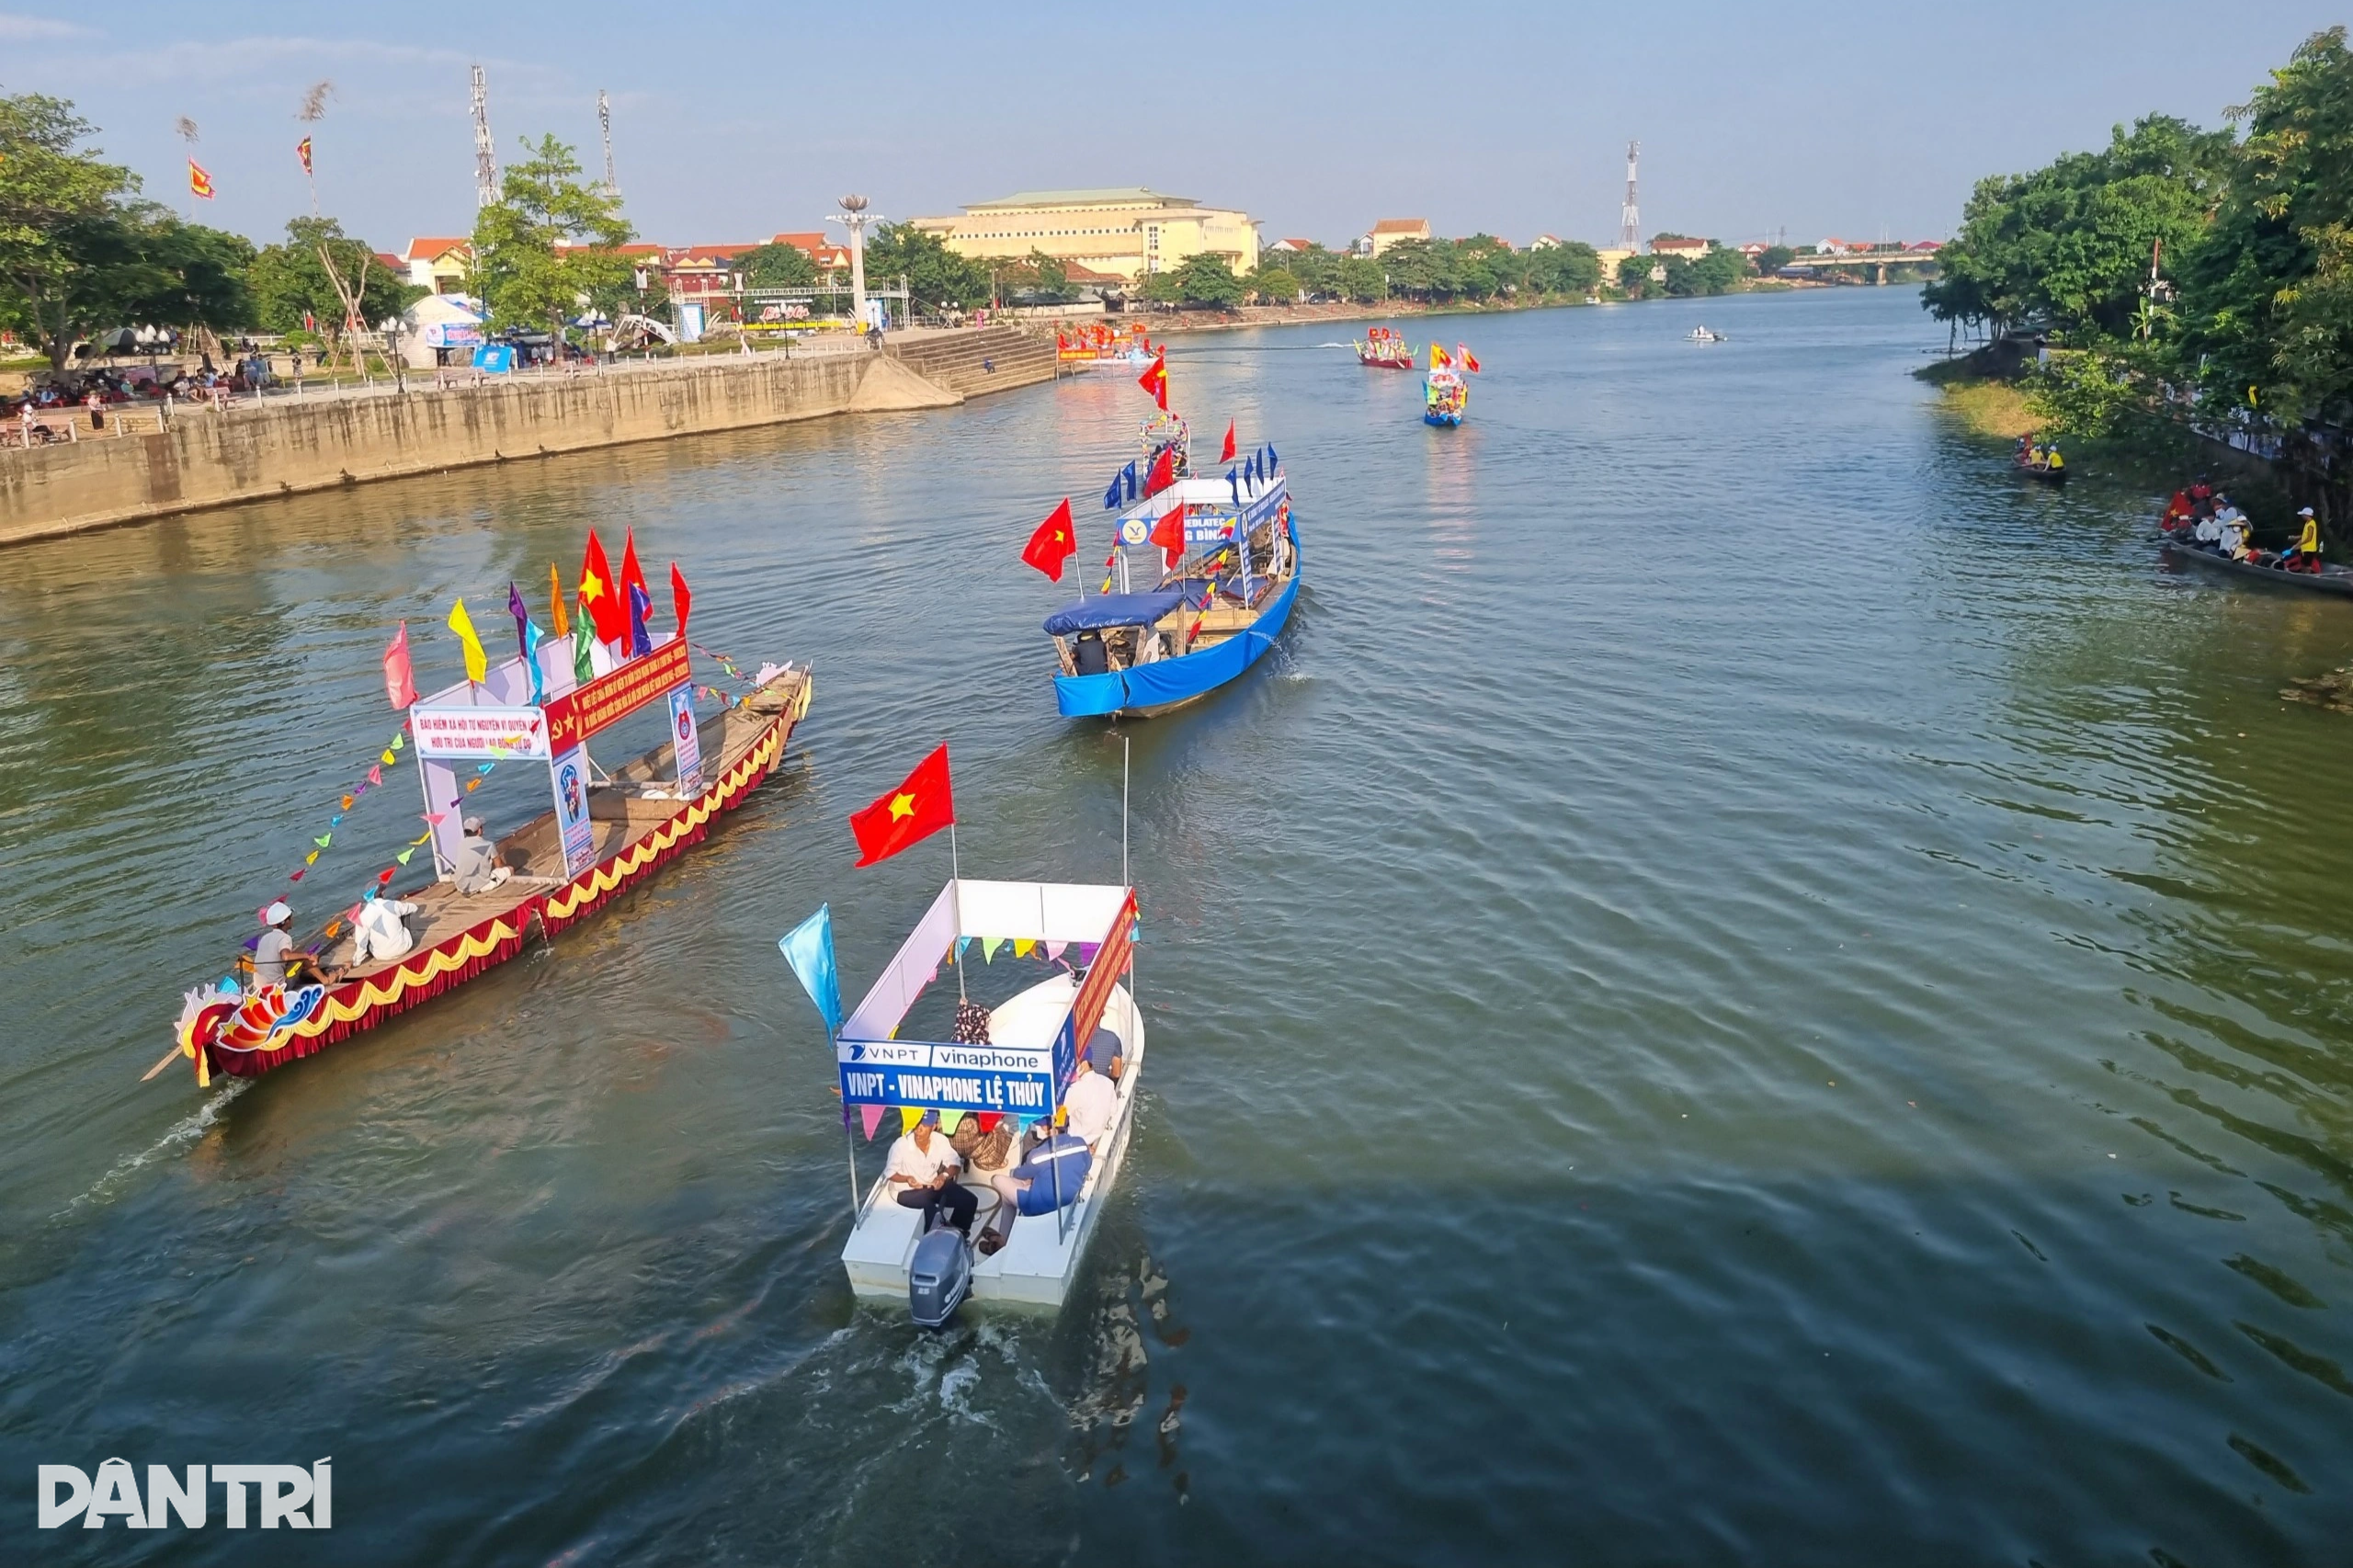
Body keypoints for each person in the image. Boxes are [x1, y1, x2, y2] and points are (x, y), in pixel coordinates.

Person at [978, 1125, 1091, 1256]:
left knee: (997, 1181)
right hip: (1067, 1200)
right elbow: (1087, 1166)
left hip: (1039, 1205)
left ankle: (1003, 1240)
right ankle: (1004, 1237)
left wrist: (1029, 1179)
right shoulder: (1081, 1145)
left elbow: (1017, 1175)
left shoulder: (1037, 1156)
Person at [885, 1113, 976, 1235]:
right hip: (906, 1191)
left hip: (931, 1185)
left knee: (969, 1201)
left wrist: (943, 1177)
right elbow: (890, 1173)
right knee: (933, 1216)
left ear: (934, 1126)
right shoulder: (901, 1145)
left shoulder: (940, 1141)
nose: (919, 1129)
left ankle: (958, 1232)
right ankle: (933, 1239)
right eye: (917, 1124)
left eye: (924, 1125)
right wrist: (907, 1179)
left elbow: (955, 1165)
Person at [1061, 1052, 1118, 1152]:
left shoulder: (1075, 1089)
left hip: (1075, 1143)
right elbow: (1113, 1110)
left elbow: (1059, 1119)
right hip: (1098, 1137)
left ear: (1083, 1064)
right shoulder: (1108, 1082)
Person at [350, 893, 420, 964]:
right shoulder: (393, 904)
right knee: (404, 912)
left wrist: (356, 962)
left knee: (362, 935)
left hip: (382, 955)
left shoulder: (363, 916)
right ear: (382, 893)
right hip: (404, 947)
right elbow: (414, 908)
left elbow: (361, 943)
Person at [450, 816, 512, 895]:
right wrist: (506, 868)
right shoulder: (489, 845)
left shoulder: (460, 845)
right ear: (479, 830)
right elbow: (499, 866)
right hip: (481, 887)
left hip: (461, 887)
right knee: (510, 869)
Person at [2287, 507, 2325, 573]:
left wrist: (2298, 545)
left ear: (2307, 515)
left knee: (2307, 566)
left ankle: (2307, 578)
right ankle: (2302, 577)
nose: (2302, 516)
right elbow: (2304, 536)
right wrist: (2295, 537)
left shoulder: (2311, 524)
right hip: (2305, 549)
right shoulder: (2307, 523)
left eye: (2303, 515)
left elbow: (2309, 538)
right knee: (2303, 565)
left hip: (2309, 549)